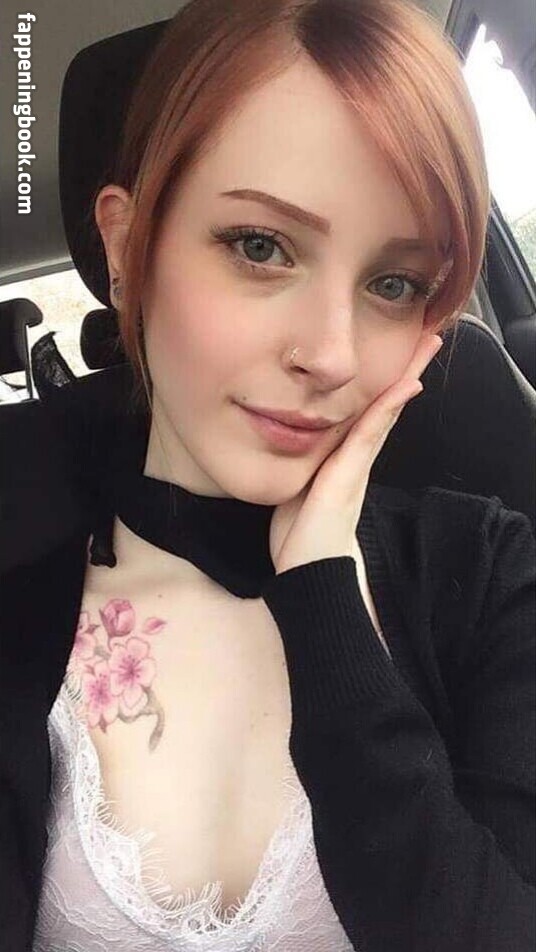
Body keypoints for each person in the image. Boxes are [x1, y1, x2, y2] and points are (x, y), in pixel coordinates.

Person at [1, 0, 534, 950]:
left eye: (395, 284)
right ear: (127, 247)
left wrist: (326, 591)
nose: (330, 355)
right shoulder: (17, 554)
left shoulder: (492, 577)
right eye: (261, 246)